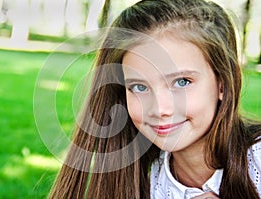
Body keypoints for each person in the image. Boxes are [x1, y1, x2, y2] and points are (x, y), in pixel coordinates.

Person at [48, 0, 261, 198]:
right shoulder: (150, 182)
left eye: (182, 82)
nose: (160, 109)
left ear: (223, 82)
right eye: (139, 87)